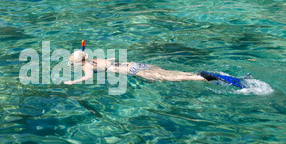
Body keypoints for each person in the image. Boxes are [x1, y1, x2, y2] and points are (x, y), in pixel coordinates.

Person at [64, 49, 246, 88]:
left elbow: (87, 77)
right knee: (172, 73)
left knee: (174, 78)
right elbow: (110, 59)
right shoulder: (95, 59)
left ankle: (211, 78)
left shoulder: (86, 66)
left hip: (134, 72)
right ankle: (203, 75)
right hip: (136, 64)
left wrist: (73, 80)